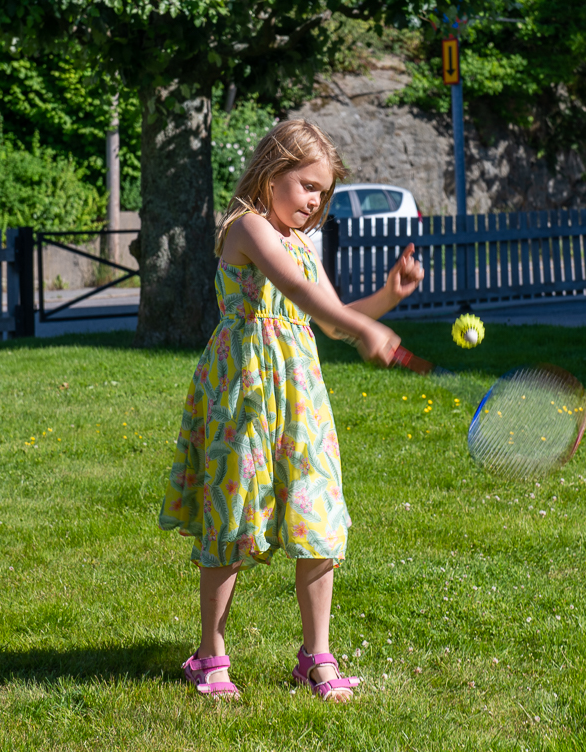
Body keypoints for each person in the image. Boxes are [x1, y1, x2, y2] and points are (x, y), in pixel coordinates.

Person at [159, 119, 424, 702]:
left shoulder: (303, 242)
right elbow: (297, 294)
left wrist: (385, 299)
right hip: (244, 391)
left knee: (316, 513)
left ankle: (316, 658)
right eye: (307, 185)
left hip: (299, 393)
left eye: (323, 193)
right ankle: (210, 656)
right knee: (233, 515)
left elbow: (324, 315)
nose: (314, 202)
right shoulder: (248, 227)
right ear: (271, 172)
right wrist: (366, 330)